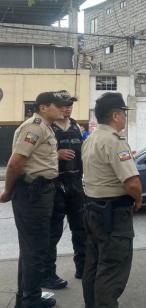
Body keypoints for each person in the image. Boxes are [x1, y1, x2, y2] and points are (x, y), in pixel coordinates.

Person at [0, 91, 73, 308]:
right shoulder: (35, 127)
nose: (63, 109)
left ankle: (27, 297)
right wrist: (7, 191)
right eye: (58, 105)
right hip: (33, 193)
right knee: (36, 250)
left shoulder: (45, 127)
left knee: (32, 249)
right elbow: (15, 163)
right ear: (43, 107)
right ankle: (30, 301)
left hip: (41, 192)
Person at [81, 92, 143, 307]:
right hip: (113, 216)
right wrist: (139, 200)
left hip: (92, 210)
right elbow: (132, 183)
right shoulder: (115, 141)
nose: (125, 118)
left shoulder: (90, 139)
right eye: (124, 114)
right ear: (116, 115)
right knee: (112, 270)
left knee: (93, 266)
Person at [43, 97, 86, 291]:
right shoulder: (47, 127)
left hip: (76, 185)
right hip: (56, 186)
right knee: (54, 233)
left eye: (70, 106)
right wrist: (56, 154)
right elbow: (33, 155)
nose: (67, 109)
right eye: (64, 106)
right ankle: (48, 274)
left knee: (81, 229)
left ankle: (83, 268)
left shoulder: (78, 127)